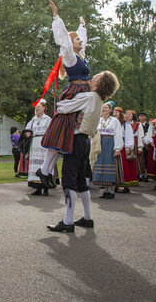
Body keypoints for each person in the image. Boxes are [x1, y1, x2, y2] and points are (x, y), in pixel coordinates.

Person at [46, 71, 120, 233]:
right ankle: (87, 217)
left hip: (75, 139)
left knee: (69, 181)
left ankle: (68, 221)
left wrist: (63, 98)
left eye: (97, 77)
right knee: (81, 181)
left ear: (101, 83)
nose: (93, 77)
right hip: (85, 141)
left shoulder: (90, 96)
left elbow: (63, 107)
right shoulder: (99, 99)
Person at [36, 0, 90, 189]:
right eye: (77, 40)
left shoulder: (81, 56)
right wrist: (56, 17)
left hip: (82, 94)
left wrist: (82, 26)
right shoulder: (69, 56)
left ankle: (45, 170)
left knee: (64, 136)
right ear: (71, 43)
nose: (80, 42)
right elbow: (64, 39)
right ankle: (44, 169)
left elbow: (81, 40)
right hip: (74, 94)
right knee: (63, 134)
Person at [92, 101, 124, 199]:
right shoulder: (99, 120)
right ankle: (105, 191)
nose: (103, 109)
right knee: (101, 168)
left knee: (110, 167)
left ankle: (111, 191)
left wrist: (117, 148)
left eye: (106, 108)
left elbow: (118, 134)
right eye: (102, 108)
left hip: (110, 144)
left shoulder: (114, 121)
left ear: (110, 110)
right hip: (100, 145)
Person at [26, 99, 52, 195]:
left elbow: (51, 132)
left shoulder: (48, 119)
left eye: (39, 107)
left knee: (44, 164)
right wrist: (27, 133)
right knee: (35, 164)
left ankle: (46, 188)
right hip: (35, 142)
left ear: (44, 108)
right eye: (36, 107)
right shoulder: (33, 119)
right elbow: (27, 129)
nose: (37, 108)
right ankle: (37, 188)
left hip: (44, 143)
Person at [118, 110, 143, 193]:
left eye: (130, 114)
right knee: (118, 166)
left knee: (127, 166)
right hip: (118, 146)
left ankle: (127, 185)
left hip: (125, 145)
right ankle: (116, 184)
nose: (128, 116)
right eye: (127, 114)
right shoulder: (114, 123)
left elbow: (130, 136)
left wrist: (129, 147)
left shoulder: (127, 124)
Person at [138, 112, 150, 182]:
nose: (142, 117)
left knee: (146, 159)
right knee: (139, 159)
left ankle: (146, 174)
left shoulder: (148, 126)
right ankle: (139, 174)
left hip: (146, 144)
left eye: (143, 116)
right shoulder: (137, 124)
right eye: (140, 116)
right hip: (139, 143)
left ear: (145, 117)